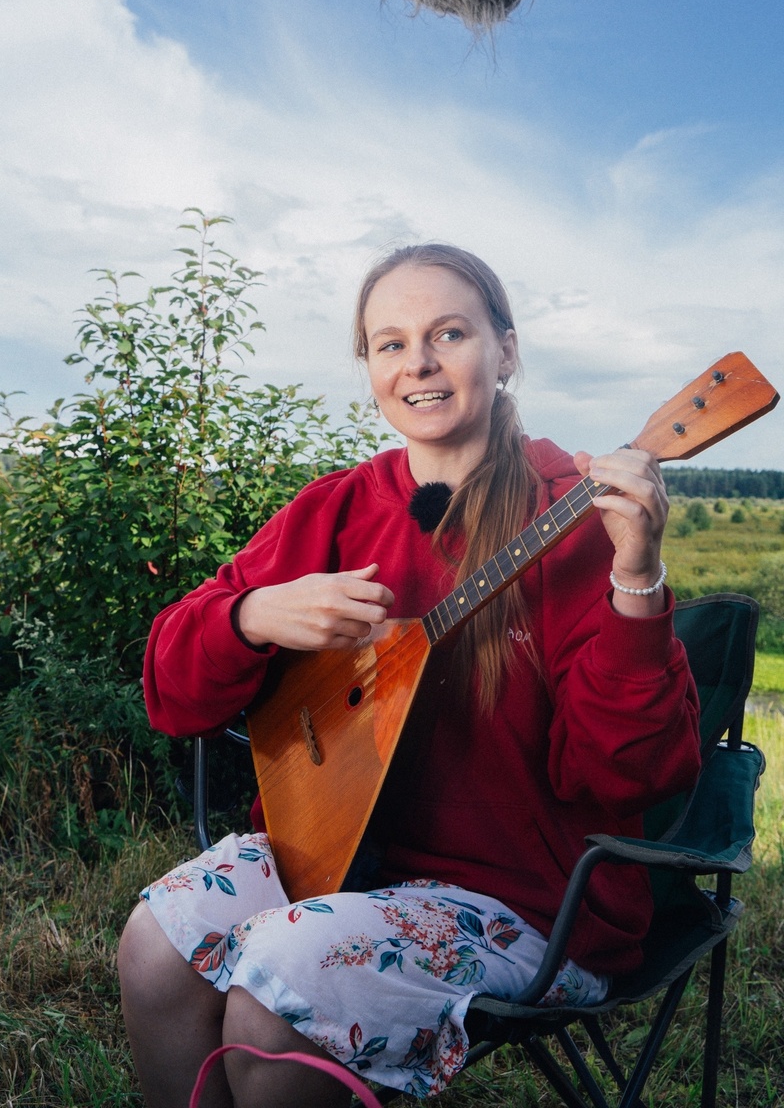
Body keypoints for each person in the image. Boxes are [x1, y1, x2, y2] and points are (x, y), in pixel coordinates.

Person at [118, 244, 700, 1108]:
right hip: (332, 855)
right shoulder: (336, 508)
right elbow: (170, 692)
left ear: (506, 351)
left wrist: (637, 580)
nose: (418, 363)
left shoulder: (575, 516)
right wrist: (252, 616)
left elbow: (630, 776)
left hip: (531, 903)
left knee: (282, 980)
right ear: (370, 369)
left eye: (449, 334)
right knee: (154, 946)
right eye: (390, 343)